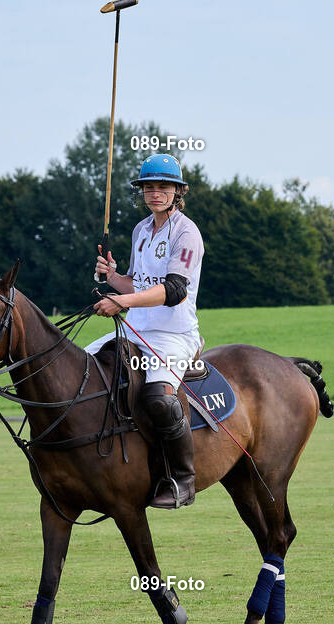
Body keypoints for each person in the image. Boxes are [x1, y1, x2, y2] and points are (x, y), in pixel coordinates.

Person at [86, 153, 204, 509]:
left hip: (173, 334)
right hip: (137, 330)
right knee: (83, 369)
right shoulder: (140, 230)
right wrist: (112, 278)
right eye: (148, 187)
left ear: (177, 191)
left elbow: (173, 290)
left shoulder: (187, 232)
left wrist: (123, 302)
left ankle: (183, 479)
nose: (155, 193)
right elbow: (136, 283)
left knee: (158, 397)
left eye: (163, 187)